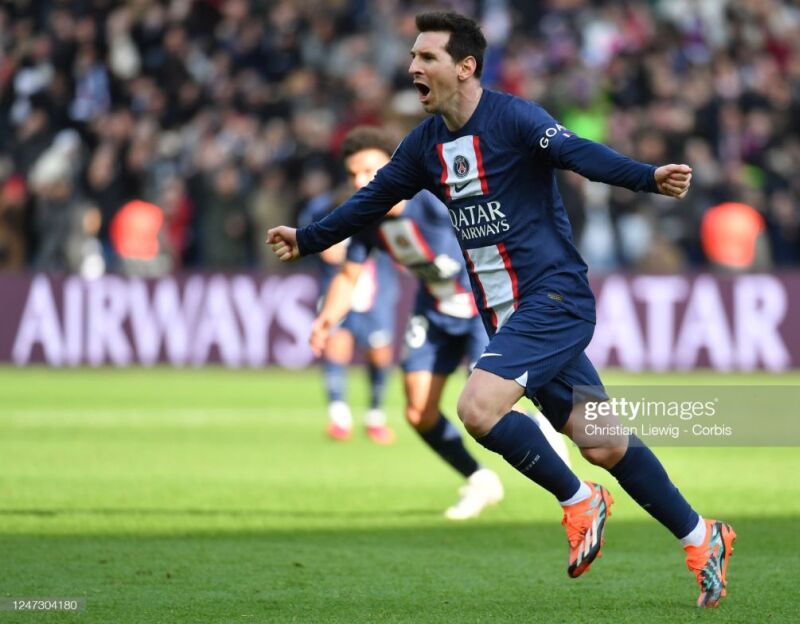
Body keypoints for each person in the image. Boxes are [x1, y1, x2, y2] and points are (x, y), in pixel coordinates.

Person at [268, 11, 735, 607]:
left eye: (427, 57)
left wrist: (648, 177)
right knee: (603, 443)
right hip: (506, 315)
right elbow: (371, 201)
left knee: (477, 407)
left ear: (465, 66)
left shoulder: (514, 118)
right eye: (412, 57)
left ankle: (580, 501)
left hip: (554, 298)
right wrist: (308, 239)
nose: (413, 67)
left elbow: (578, 153)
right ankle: (702, 537)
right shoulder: (424, 146)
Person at [313, 125, 506, 519]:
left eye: (369, 171)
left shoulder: (432, 200)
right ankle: (480, 480)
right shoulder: (367, 221)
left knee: (488, 403)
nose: (360, 182)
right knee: (419, 413)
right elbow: (348, 277)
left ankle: (561, 458)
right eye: (353, 174)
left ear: (393, 167)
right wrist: (327, 319)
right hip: (434, 310)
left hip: (482, 309)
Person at [301, 176, 398, 445]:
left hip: (375, 296)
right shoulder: (322, 212)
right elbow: (321, 248)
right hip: (338, 292)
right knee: (336, 347)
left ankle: (375, 416)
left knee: (379, 354)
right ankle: (339, 417)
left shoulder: (384, 213)